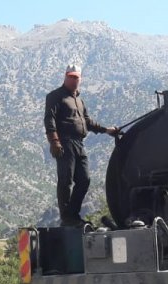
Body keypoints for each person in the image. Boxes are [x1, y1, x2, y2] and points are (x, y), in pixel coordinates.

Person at [44, 64, 119, 227]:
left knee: (84, 180)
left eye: (76, 77)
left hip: (79, 143)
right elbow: (49, 119)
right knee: (66, 180)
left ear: (80, 79)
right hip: (65, 142)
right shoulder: (55, 96)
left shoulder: (79, 99)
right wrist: (54, 141)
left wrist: (106, 130)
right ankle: (67, 217)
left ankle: (72, 214)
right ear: (65, 77)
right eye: (70, 77)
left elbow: (88, 122)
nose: (73, 80)